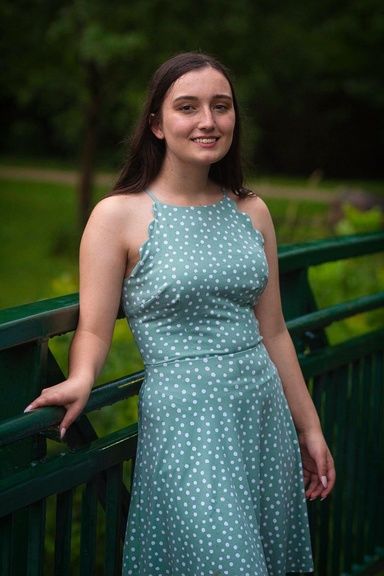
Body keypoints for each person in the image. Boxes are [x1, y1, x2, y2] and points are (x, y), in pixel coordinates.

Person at [25, 52, 335, 575]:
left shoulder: (251, 210)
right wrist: (81, 378)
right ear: (157, 124)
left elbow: (275, 332)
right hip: (189, 425)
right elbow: (96, 328)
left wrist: (310, 429)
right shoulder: (117, 216)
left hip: (261, 417)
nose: (208, 121)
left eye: (221, 106)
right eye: (187, 107)